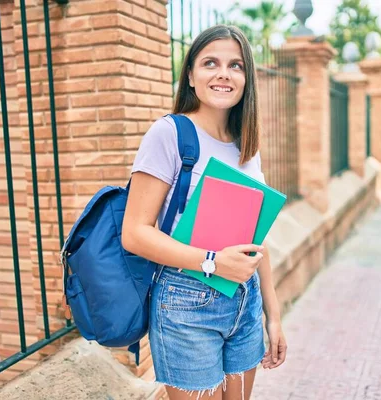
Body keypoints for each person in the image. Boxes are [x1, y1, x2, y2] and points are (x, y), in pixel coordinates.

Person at [122, 25, 287, 400]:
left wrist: (273, 316)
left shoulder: (247, 146)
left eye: (236, 65)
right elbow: (134, 232)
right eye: (210, 63)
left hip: (245, 302)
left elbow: (255, 238)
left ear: (247, 80)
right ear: (192, 76)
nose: (223, 74)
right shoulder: (169, 134)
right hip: (186, 305)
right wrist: (213, 262)